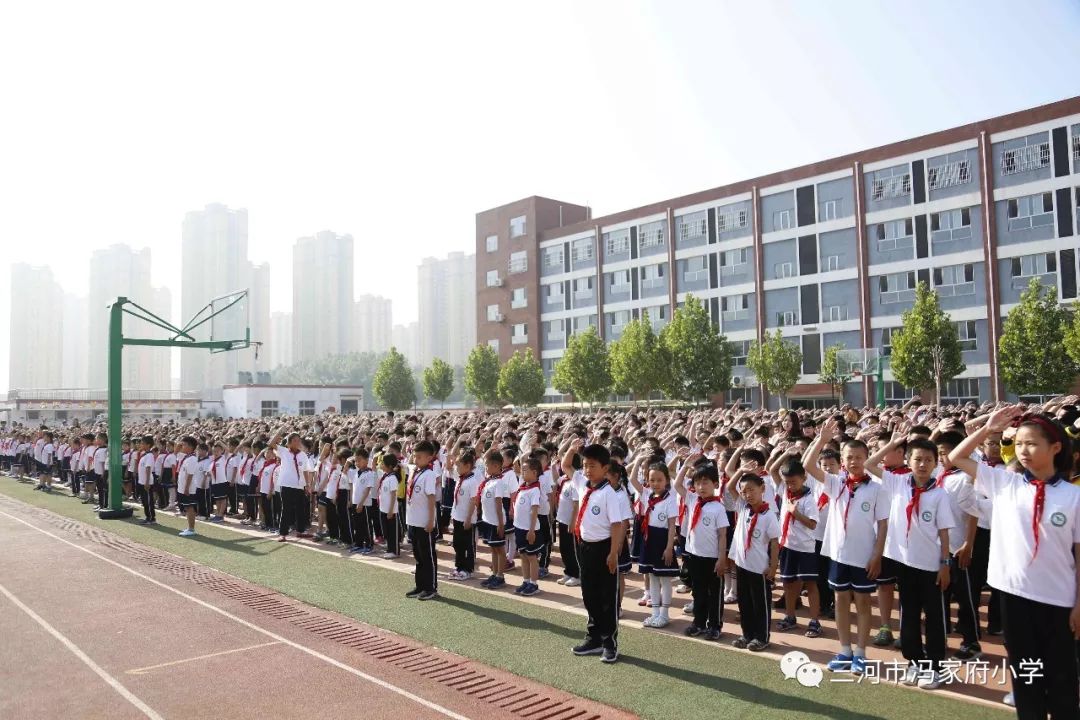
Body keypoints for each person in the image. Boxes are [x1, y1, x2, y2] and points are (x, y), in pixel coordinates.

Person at [950, 408, 1080, 720]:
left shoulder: (1073, 497)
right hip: (1013, 596)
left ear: (1056, 447)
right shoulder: (1003, 483)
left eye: (1032, 443)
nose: (1023, 450)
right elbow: (957, 457)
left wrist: (1078, 603)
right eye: (1019, 444)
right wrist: (987, 429)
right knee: (1026, 674)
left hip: (1058, 600)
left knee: (1062, 677)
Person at [867, 434, 955, 689]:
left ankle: (935, 666)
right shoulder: (897, 484)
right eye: (918, 459)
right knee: (909, 615)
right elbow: (871, 464)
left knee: (935, 617)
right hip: (905, 563)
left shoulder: (939, 494)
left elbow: (944, 531)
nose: (923, 464)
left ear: (936, 463)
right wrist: (893, 442)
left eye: (929, 460)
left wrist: (945, 564)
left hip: (931, 565)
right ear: (908, 460)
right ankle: (915, 661)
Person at [805, 418, 889, 675]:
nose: (854, 462)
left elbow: (883, 524)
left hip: (864, 557)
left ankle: (861, 653)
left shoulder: (877, 489)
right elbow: (808, 465)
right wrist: (821, 439)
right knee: (841, 600)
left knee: (863, 603)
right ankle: (845, 650)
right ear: (843, 460)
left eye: (859, 457)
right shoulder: (835, 483)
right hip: (838, 556)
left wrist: (877, 555)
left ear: (867, 458)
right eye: (849, 457)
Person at [570, 441, 627, 664]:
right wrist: (574, 449)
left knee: (606, 598)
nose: (587, 470)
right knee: (589, 594)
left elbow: (616, 524)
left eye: (592, 466)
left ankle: (609, 643)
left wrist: (613, 553)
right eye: (585, 465)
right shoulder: (585, 486)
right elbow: (566, 465)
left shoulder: (608, 493)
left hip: (604, 549)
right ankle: (593, 638)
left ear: (605, 468)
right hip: (585, 547)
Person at [727, 470, 779, 651]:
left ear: (762, 489)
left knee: (760, 604)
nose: (748, 495)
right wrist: (741, 471)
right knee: (745, 602)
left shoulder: (769, 516)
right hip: (742, 565)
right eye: (744, 491)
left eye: (752, 490)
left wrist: (773, 567)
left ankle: (762, 637)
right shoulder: (743, 508)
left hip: (759, 568)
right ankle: (747, 634)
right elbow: (729, 487)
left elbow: (774, 543)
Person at [771, 456, 821, 638]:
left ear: (804, 478)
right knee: (788, 584)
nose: (790, 485)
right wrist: (784, 453)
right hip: (787, 545)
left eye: (793, 482)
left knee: (810, 584)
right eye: (787, 482)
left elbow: (813, 524)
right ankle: (790, 616)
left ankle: (814, 621)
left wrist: (796, 513)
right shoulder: (785, 491)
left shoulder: (809, 499)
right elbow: (772, 469)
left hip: (805, 548)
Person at [682, 462, 729, 641]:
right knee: (698, 591)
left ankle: (715, 625)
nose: (701, 487)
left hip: (712, 558)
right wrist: (686, 465)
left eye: (706, 483)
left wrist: (721, 558)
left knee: (714, 593)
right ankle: (699, 622)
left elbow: (723, 535)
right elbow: (679, 485)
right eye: (698, 483)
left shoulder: (718, 508)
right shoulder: (693, 499)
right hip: (695, 555)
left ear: (716, 485)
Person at [637, 461, 679, 628]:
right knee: (653, 577)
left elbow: (671, 526)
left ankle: (665, 614)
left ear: (667, 480)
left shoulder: (670, 499)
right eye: (652, 480)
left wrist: (669, 547)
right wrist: (640, 458)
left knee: (664, 579)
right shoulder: (647, 495)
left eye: (659, 480)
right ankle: (655, 613)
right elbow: (633, 479)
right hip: (649, 539)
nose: (655, 483)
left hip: (662, 540)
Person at [405, 440, 439, 600]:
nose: (416, 459)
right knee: (418, 556)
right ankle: (420, 585)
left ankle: (431, 588)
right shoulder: (415, 472)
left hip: (425, 522)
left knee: (428, 556)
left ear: (429, 457)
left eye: (419, 457)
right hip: (413, 520)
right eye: (415, 456)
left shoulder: (430, 475)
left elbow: (432, 498)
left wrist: (431, 521)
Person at [268, 426, 312, 543]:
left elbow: (305, 470)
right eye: (295, 440)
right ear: (289, 442)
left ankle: (300, 531)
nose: (297, 443)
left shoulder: (303, 454)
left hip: (299, 485)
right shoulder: (284, 451)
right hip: (286, 484)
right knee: (286, 509)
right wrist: (280, 431)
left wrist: (307, 484)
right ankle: (283, 533)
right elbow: (271, 443)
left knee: (300, 509)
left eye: (299, 440)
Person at [512, 457, 545, 596]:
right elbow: (517, 463)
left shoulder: (535, 490)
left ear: (535, 472)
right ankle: (526, 581)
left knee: (532, 557)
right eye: (522, 470)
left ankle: (534, 583)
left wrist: (531, 530)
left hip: (530, 530)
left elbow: (534, 511)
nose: (522, 472)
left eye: (525, 470)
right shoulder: (524, 486)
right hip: (519, 527)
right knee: (523, 555)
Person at [477, 450, 508, 589]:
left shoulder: (499, 483)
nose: (486, 468)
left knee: (500, 549)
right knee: (493, 549)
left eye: (488, 465)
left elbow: (498, 504)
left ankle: (500, 576)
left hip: (496, 522)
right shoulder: (489, 481)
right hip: (488, 520)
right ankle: (495, 574)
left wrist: (500, 524)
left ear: (496, 466)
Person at [448, 449, 480, 579]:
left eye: (459, 465)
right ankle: (459, 566)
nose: (457, 468)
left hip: (467, 519)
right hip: (457, 516)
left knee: (468, 545)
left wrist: (468, 518)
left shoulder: (473, 481)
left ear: (467, 466)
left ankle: (468, 569)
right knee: (457, 543)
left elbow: (474, 500)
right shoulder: (461, 478)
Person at [377, 452, 401, 558]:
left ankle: (394, 550)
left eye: (383, 463)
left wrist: (391, 510)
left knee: (392, 531)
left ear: (390, 466)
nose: (381, 465)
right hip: (383, 508)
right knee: (386, 530)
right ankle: (389, 548)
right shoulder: (386, 476)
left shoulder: (392, 478)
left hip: (390, 510)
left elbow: (393, 495)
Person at [175, 436, 199, 537]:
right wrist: (180, 443)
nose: (182, 446)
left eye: (184, 445)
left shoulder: (192, 459)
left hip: (188, 488)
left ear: (190, 446)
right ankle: (189, 527)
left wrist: (186, 488)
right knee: (187, 507)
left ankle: (191, 529)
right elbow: (176, 451)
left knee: (189, 508)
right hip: (183, 486)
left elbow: (190, 475)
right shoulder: (185, 456)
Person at [135, 435, 157, 525]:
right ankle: (147, 516)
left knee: (148, 501)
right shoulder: (145, 455)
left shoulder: (150, 456)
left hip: (146, 482)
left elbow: (148, 468)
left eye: (143, 443)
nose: (141, 445)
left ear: (148, 445)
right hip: (142, 481)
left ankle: (151, 518)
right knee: (144, 501)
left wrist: (147, 482)